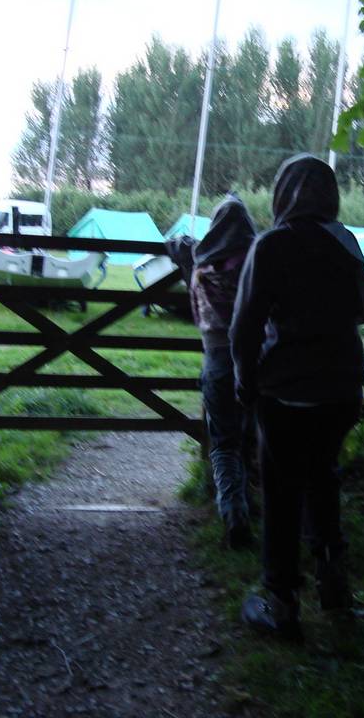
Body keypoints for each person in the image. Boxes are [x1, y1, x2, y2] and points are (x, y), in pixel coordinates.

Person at [231, 154, 364, 640]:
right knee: (323, 480)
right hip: (343, 392)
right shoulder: (347, 244)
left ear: (283, 194)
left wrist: (245, 382)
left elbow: (244, 325)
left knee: (282, 494)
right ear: (330, 195)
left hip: (287, 393)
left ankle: (282, 603)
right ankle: (334, 589)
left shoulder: (271, 245)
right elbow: (357, 307)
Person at [166, 195, 256, 549]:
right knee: (250, 437)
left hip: (216, 360)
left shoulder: (201, 266)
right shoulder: (256, 264)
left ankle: (233, 510)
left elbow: (180, 247)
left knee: (223, 445)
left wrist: (183, 246)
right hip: (254, 360)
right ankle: (251, 504)